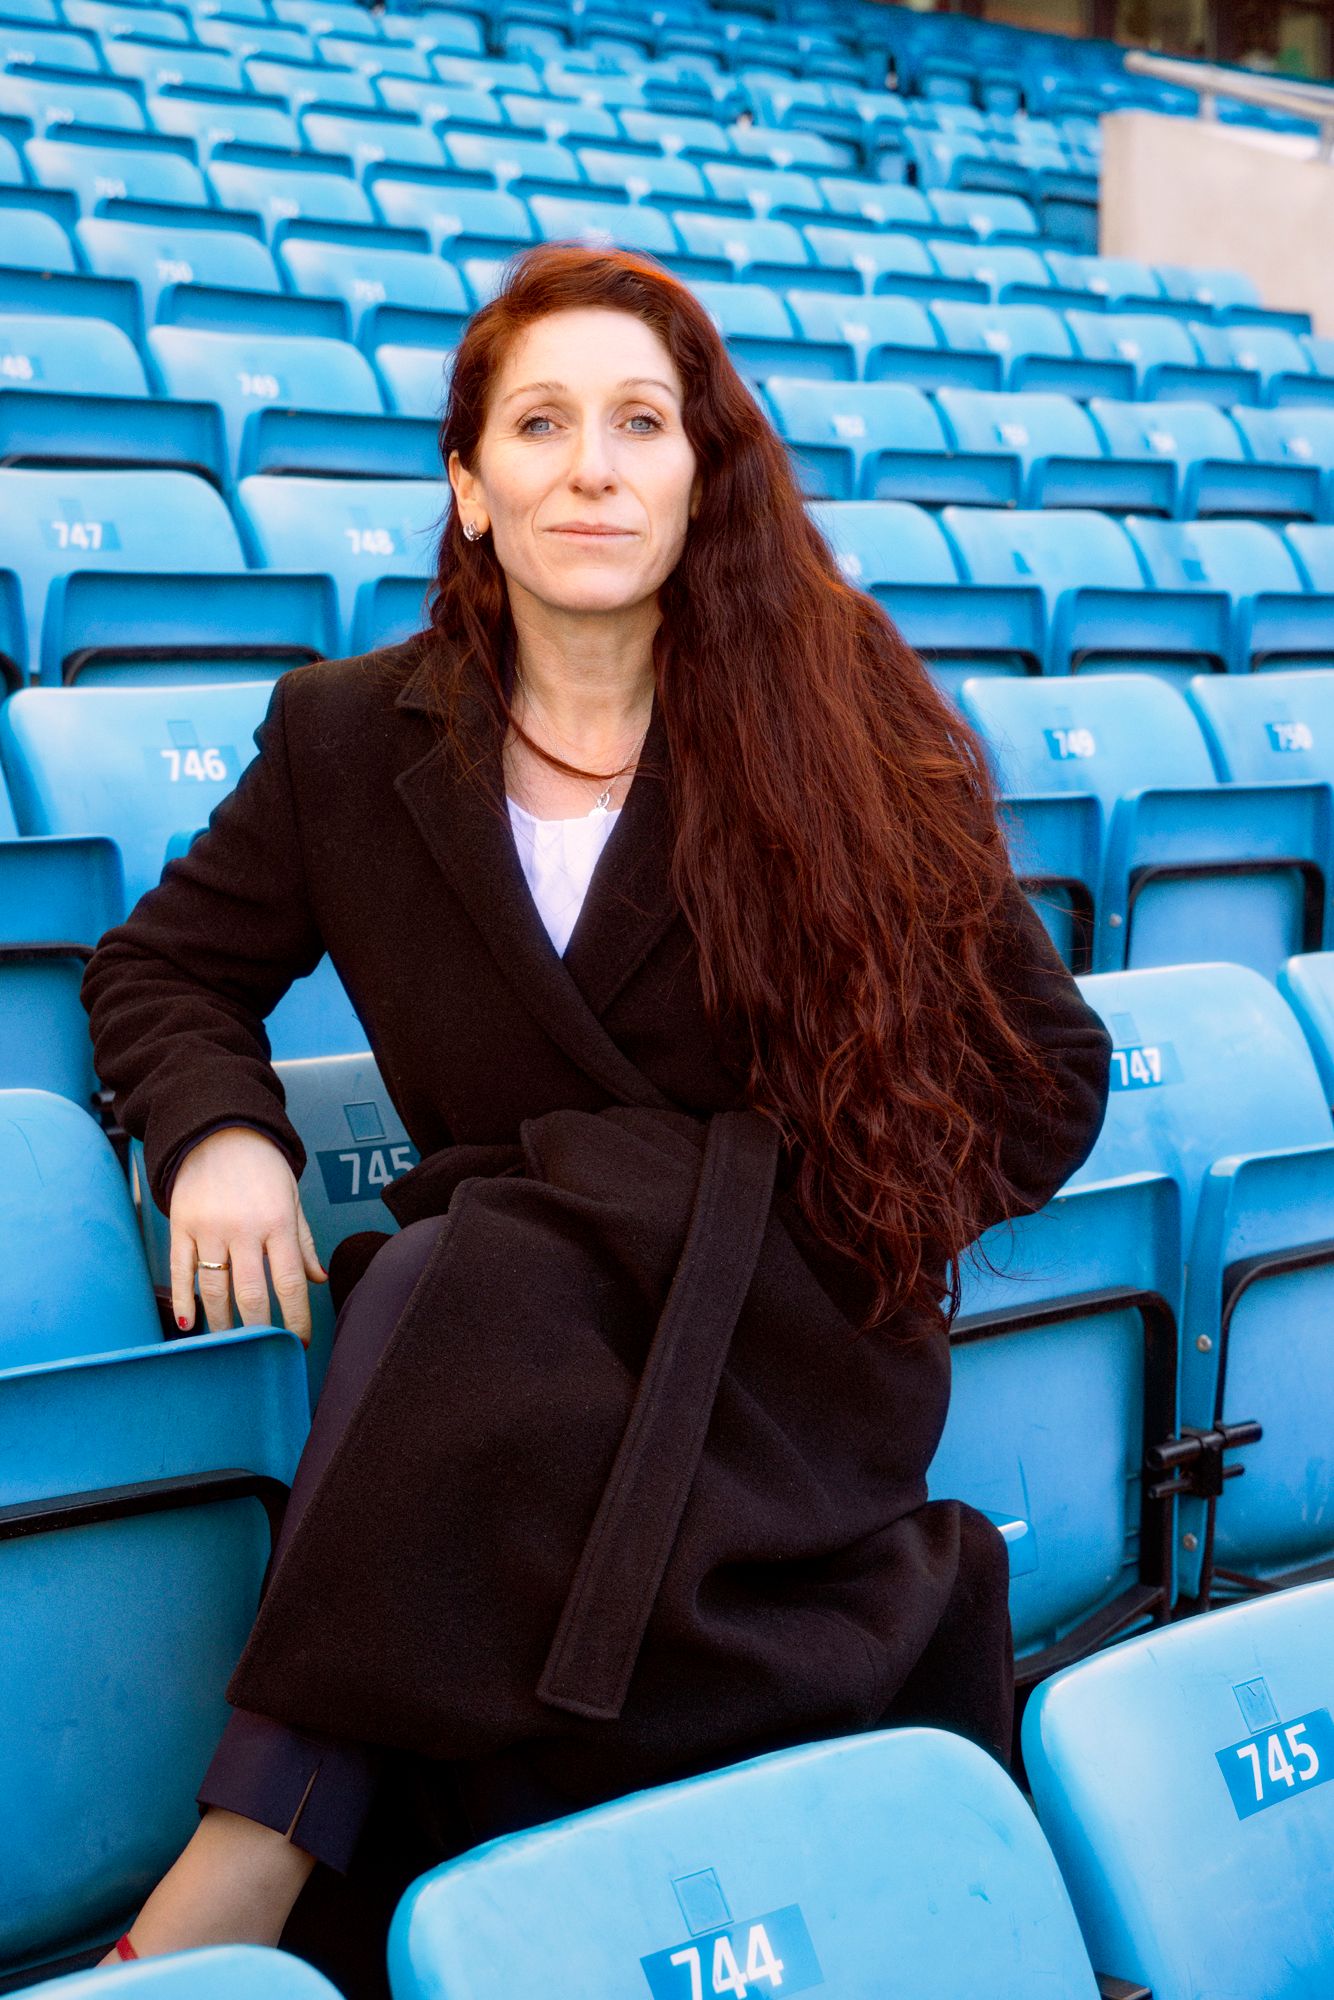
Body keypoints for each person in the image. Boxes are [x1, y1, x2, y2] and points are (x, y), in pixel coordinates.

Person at [79, 243, 1112, 1990]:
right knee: (479, 1266)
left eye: (640, 421)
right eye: (539, 424)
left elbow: (1048, 1076)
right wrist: (220, 1134)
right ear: (468, 487)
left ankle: (261, 1839)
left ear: (699, 476)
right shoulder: (344, 739)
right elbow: (159, 970)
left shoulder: (834, 728)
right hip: (507, 1365)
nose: (591, 464)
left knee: (444, 1274)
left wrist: (785, 1225)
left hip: (775, 1350)